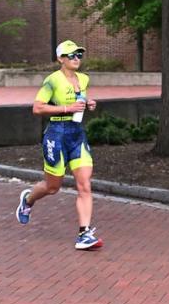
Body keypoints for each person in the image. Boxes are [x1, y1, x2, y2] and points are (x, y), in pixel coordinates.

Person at [15, 40, 103, 250]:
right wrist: (67, 108)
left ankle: (84, 234)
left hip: (77, 134)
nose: (76, 59)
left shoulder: (84, 78)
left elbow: (79, 100)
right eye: (71, 55)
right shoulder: (52, 80)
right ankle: (28, 199)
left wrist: (88, 104)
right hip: (56, 134)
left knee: (85, 184)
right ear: (61, 59)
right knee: (53, 187)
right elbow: (37, 108)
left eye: (79, 55)